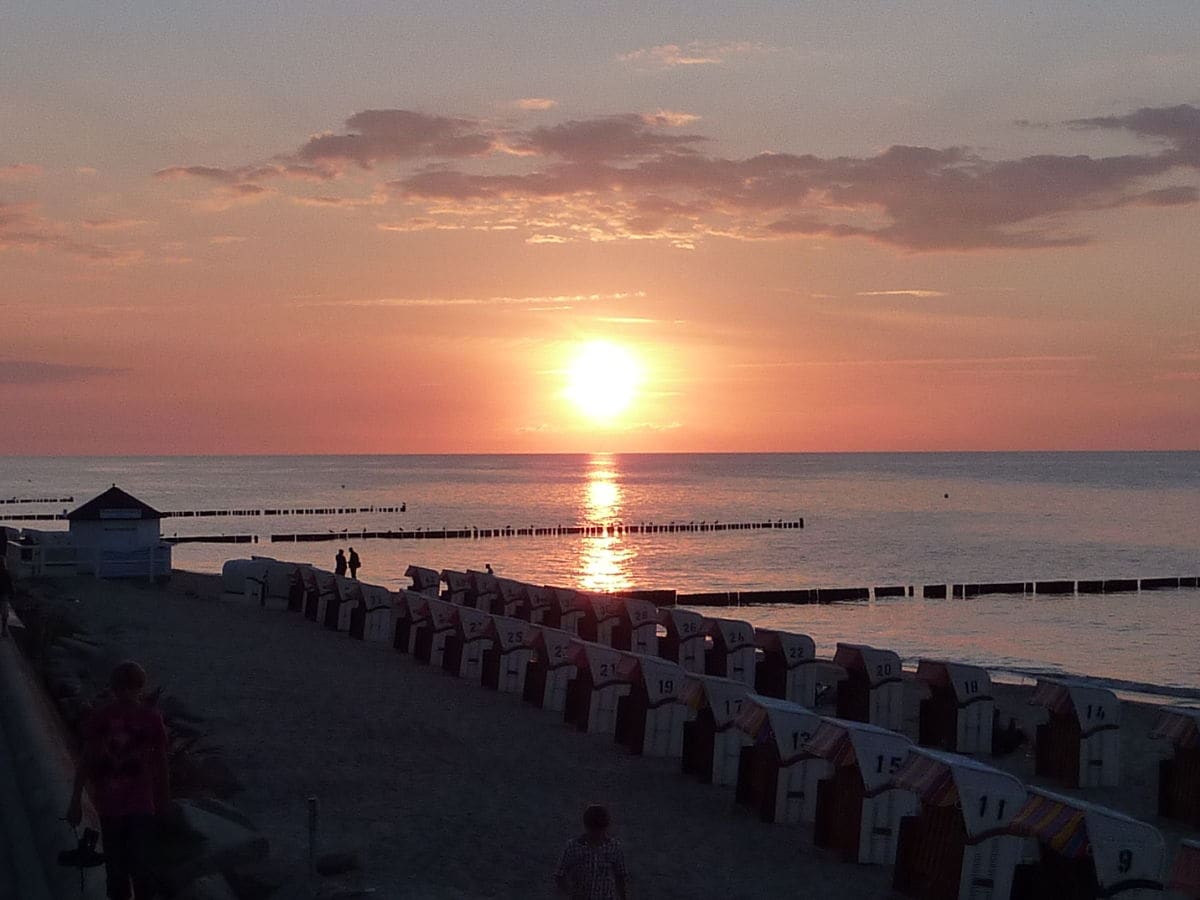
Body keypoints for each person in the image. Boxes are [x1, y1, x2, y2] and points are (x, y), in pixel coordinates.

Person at [67, 661, 169, 900]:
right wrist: (75, 800)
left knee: (140, 862)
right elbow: (87, 757)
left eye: (130, 688)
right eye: (119, 689)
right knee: (115, 867)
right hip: (109, 803)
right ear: (113, 689)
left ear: (139, 689)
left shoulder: (152, 719)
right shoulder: (102, 717)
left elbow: (161, 761)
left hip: (141, 800)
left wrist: (164, 798)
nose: (124, 694)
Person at [554, 805, 628, 900]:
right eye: (593, 831)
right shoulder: (572, 847)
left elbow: (620, 877)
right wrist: (571, 892)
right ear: (586, 827)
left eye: (600, 830)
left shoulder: (614, 848)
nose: (597, 835)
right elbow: (559, 875)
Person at [0, 557, 13, 638]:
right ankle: (4, 630)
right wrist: (11, 593)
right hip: (4, 593)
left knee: (4, 613)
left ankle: (4, 630)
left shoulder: (6, 573)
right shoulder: (6, 572)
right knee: (4, 613)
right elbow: (9, 584)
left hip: (3, 593)